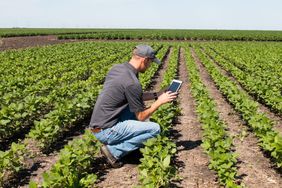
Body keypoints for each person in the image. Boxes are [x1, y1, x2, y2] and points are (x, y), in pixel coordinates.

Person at [89, 44, 178, 168]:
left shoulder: (119, 69)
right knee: (154, 129)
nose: (150, 66)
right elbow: (141, 116)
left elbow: (133, 96)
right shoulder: (132, 82)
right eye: (151, 62)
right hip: (106, 131)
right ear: (144, 60)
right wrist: (159, 102)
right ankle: (114, 151)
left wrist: (157, 94)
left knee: (133, 113)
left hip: (98, 124)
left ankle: (129, 150)